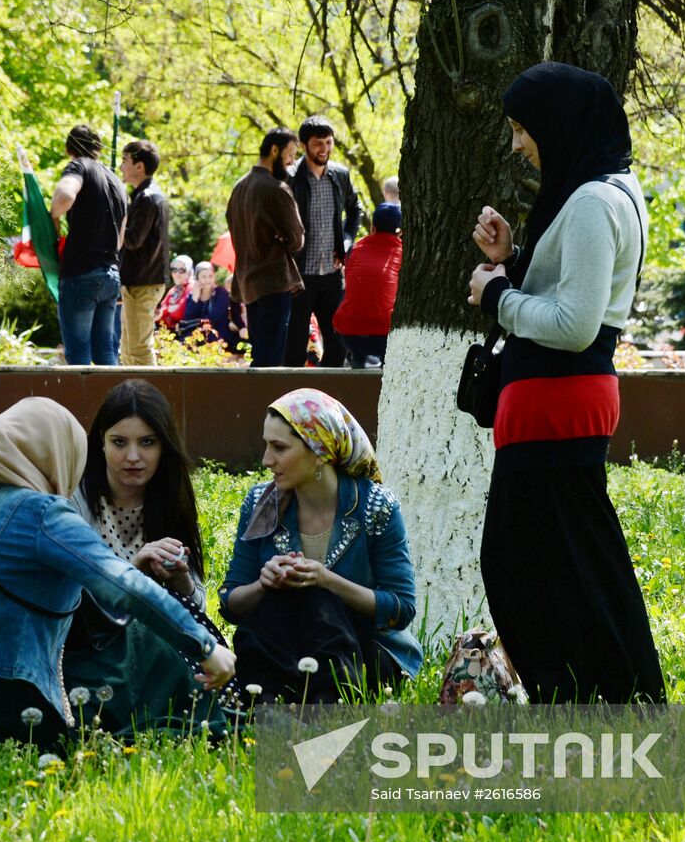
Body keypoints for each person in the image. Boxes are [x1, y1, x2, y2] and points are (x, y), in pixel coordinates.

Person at [0, 397, 236, 748]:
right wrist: (203, 646)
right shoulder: (47, 515)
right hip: (12, 705)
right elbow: (123, 586)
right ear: (57, 455)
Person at [467, 62, 665, 704]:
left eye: (525, 129)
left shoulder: (589, 202)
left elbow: (576, 323)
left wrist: (497, 294)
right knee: (575, 558)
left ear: (558, 123)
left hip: (558, 396)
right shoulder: (609, 189)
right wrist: (515, 262)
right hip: (561, 397)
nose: (519, 144)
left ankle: (581, 694)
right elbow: (576, 291)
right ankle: (615, 694)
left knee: (519, 562)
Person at [220, 389, 423, 703]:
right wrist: (263, 583)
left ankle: (322, 705)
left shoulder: (375, 505)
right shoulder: (262, 504)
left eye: (279, 447)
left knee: (318, 598)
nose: (266, 460)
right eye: (266, 445)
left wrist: (327, 580)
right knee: (275, 603)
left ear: (319, 452)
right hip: (286, 651)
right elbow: (230, 603)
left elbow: (401, 608)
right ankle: (264, 707)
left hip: (363, 657)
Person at [62, 381, 239, 734]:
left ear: (164, 446)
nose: (133, 457)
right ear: (99, 441)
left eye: (147, 442)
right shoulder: (73, 500)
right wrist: (131, 576)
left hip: (161, 640)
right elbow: (66, 601)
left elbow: (196, 606)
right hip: (91, 646)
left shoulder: (170, 497)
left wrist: (180, 580)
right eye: (119, 442)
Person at [285, 116, 362, 368]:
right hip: (299, 275)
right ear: (304, 144)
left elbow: (355, 209)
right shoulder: (290, 178)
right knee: (295, 343)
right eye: (318, 143)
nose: (324, 149)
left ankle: (324, 395)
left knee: (338, 341)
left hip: (332, 273)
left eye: (328, 143)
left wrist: (347, 243)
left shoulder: (340, 175)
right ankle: (294, 400)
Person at [225, 127, 306, 367]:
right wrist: (284, 238)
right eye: (290, 154)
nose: (292, 162)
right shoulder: (275, 188)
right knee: (270, 357)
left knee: (260, 352)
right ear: (274, 150)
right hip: (273, 280)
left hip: (248, 281)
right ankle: (264, 403)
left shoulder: (239, 187)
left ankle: (254, 401)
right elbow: (297, 237)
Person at [50, 125, 129, 365]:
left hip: (81, 271)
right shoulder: (117, 180)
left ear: (68, 149)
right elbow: (121, 238)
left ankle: (80, 404)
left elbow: (64, 196)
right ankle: (113, 403)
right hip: (111, 274)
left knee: (79, 353)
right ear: (98, 149)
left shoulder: (78, 167)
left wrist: (53, 214)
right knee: (106, 351)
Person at [118, 140, 170, 366]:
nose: (121, 167)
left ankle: (147, 399)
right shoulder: (145, 195)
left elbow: (131, 240)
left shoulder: (148, 197)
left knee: (138, 350)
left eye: (125, 161)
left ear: (139, 166)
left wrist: (116, 214)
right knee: (129, 350)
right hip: (139, 282)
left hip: (143, 283)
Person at [332, 203, 403, 368]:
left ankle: (357, 361)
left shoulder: (355, 250)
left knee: (350, 295)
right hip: (385, 335)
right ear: (399, 231)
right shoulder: (402, 253)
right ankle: (388, 367)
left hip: (348, 333)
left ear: (373, 227)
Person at [180, 262, 234, 346]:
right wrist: (195, 298)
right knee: (184, 342)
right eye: (203, 277)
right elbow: (187, 318)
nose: (208, 280)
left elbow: (214, 317)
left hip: (217, 332)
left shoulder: (221, 293)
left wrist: (196, 323)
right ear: (197, 278)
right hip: (197, 333)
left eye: (210, 276)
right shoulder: (193, 294)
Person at [156, 255, 193, 333]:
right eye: (174, 270)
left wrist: (167, 311)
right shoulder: (174, 289)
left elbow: (178, 314)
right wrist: (168, 310)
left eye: (182, 270)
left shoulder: (191, 287)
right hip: (168, 332)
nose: (177, 274)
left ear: (189, 271)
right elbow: (160, 312)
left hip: (185, 334)